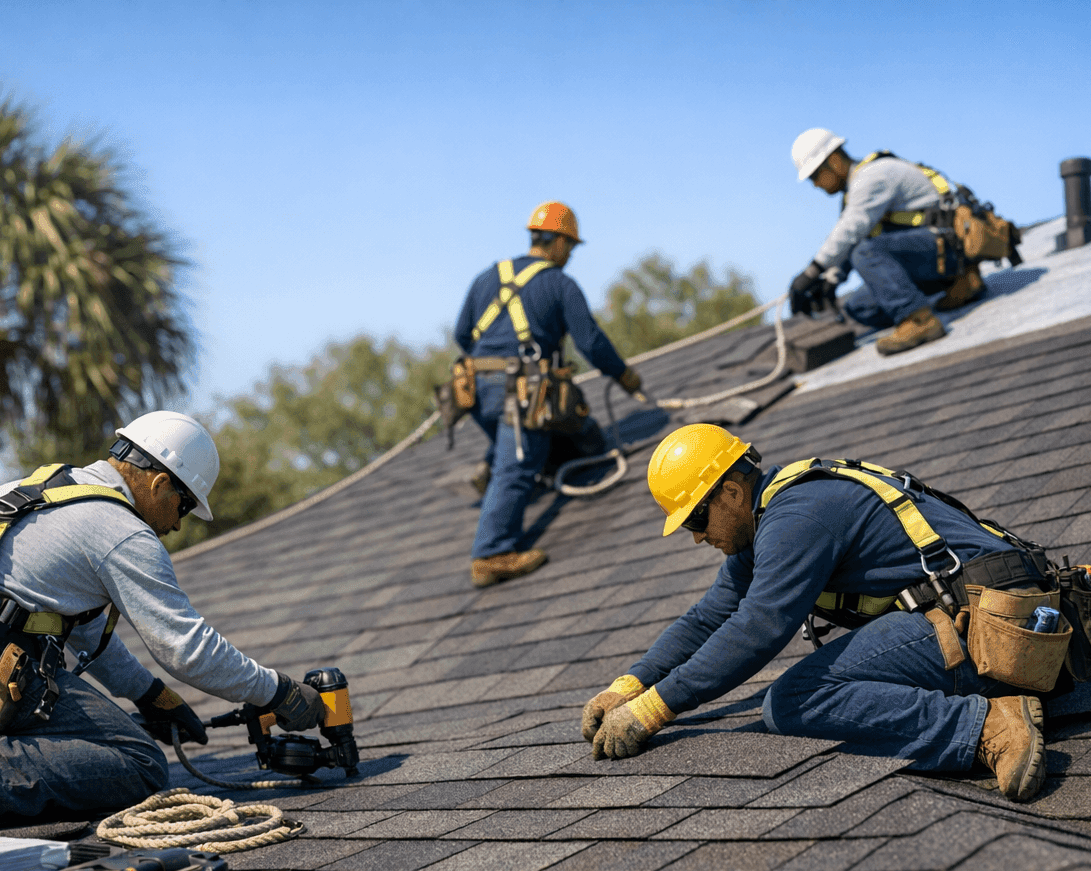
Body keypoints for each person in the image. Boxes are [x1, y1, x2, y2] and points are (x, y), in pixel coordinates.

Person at [0, 411, 328, 842]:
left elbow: (79, 627)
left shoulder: (48, 489)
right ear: (160, 484)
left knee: (51, 698)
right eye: (183, 507)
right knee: (139, 763)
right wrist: (278, 692)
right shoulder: (122, 529)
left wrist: (148, 694)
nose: (177, 526)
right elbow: (186, 648)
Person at [581, 424, 1056, 803]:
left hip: (998, 625)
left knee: (793, 700)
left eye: (696, 520)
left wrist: (654, 710)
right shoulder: (772, 515)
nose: (697, 537)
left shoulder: (797, 518)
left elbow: (759, 626)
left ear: (730, 492)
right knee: (800, 693)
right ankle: (982, 708)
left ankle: (985, 725)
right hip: (984, 618)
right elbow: (709, 618)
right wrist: (629, 685)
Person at [452, 201, 643, 587]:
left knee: (548, 442)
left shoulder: (489, 275)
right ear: (556, 241)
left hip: (475, 390)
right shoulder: (559, 283)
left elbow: (462, 334)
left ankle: (493, 463)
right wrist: (625, 377)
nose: (570, 256)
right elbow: (589, 342)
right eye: (570, 247)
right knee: (518, 467)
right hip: (522, 392)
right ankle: (491, 553)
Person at [786, 128, 989, 357]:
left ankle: (919, 320)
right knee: (860, 307)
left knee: (866, 252)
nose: (815, 185)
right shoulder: (857, 189)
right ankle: (961, 284)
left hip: (949, 249)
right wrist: (831, 280)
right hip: (932, 254)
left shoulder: (872, 177)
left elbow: (851, 230)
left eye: (815, 176)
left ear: (833, 161)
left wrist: (811, 272)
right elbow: (858, 234)